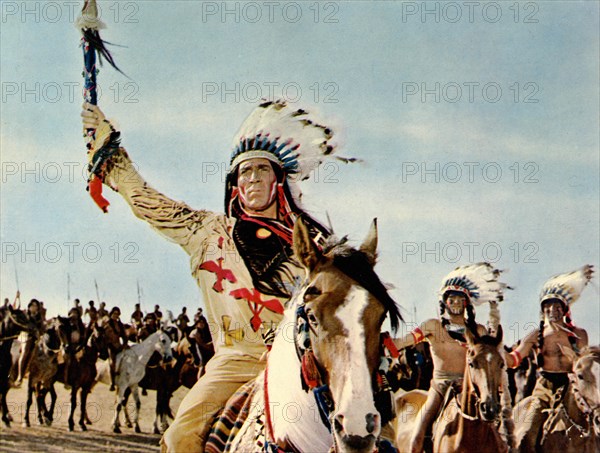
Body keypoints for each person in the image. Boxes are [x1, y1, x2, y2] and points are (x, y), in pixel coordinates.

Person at [81, 99, 338, 451]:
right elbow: (146, 200)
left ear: (278, 180)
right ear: (234, 184)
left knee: (374, 433)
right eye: (244, 172)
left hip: (302, 361)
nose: (252, 179)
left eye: (262, 170)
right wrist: (109, 152)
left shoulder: (313, 245)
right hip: (236, 361)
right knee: (179, 437)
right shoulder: (206, 230)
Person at [393, 263, 508, 453]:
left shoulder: (478, 330)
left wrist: (494, 313)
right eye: (451, 299)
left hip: (471, 387)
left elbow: (491, 351)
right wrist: (387, 343)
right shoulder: (432, 326)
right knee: (416, 440)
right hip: (440, 387)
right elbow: (405, 341)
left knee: (501, 443)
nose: (455, 303)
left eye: (460, 299)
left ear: (466, 303)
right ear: (445, 302)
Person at [506, 265, 593, 452]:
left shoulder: (579, 335)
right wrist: (495, 353)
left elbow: (585, 366)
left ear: (564, 309)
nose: (552, 310)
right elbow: (514, 359)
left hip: (573, 389)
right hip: (544, 390)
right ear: (543, 310)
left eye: (556, 306)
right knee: (525, 434)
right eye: (547, 306)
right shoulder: (536, 335)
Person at [15, 298, 44, 387]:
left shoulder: (39, 317)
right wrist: (17, 298)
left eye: (36, 306)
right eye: (33, 305)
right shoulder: (25, 314)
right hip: (25, 336)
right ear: (29, 306)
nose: (34, 307)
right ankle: (19, 376)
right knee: (25, 352)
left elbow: (41, 328)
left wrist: (39, 332)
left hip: (35, 338)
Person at [63, 306, 88, 389]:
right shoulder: (67, 323)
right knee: (68, 361)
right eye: (72, 312)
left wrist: (80, 347)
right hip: (68, 346)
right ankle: (66, 381)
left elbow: (84, 337)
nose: (74, 314)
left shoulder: (81, 325)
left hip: (78, 346)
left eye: (76, 313)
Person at [105, 306, 129, 390]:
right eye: (114, 313)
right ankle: (112, 382)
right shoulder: (107, 324)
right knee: (112, 363)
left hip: (118, 345)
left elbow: (124, 336)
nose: (116, 315)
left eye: (117, 314)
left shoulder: (119, 324)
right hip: (109, 345)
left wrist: (125, 344)